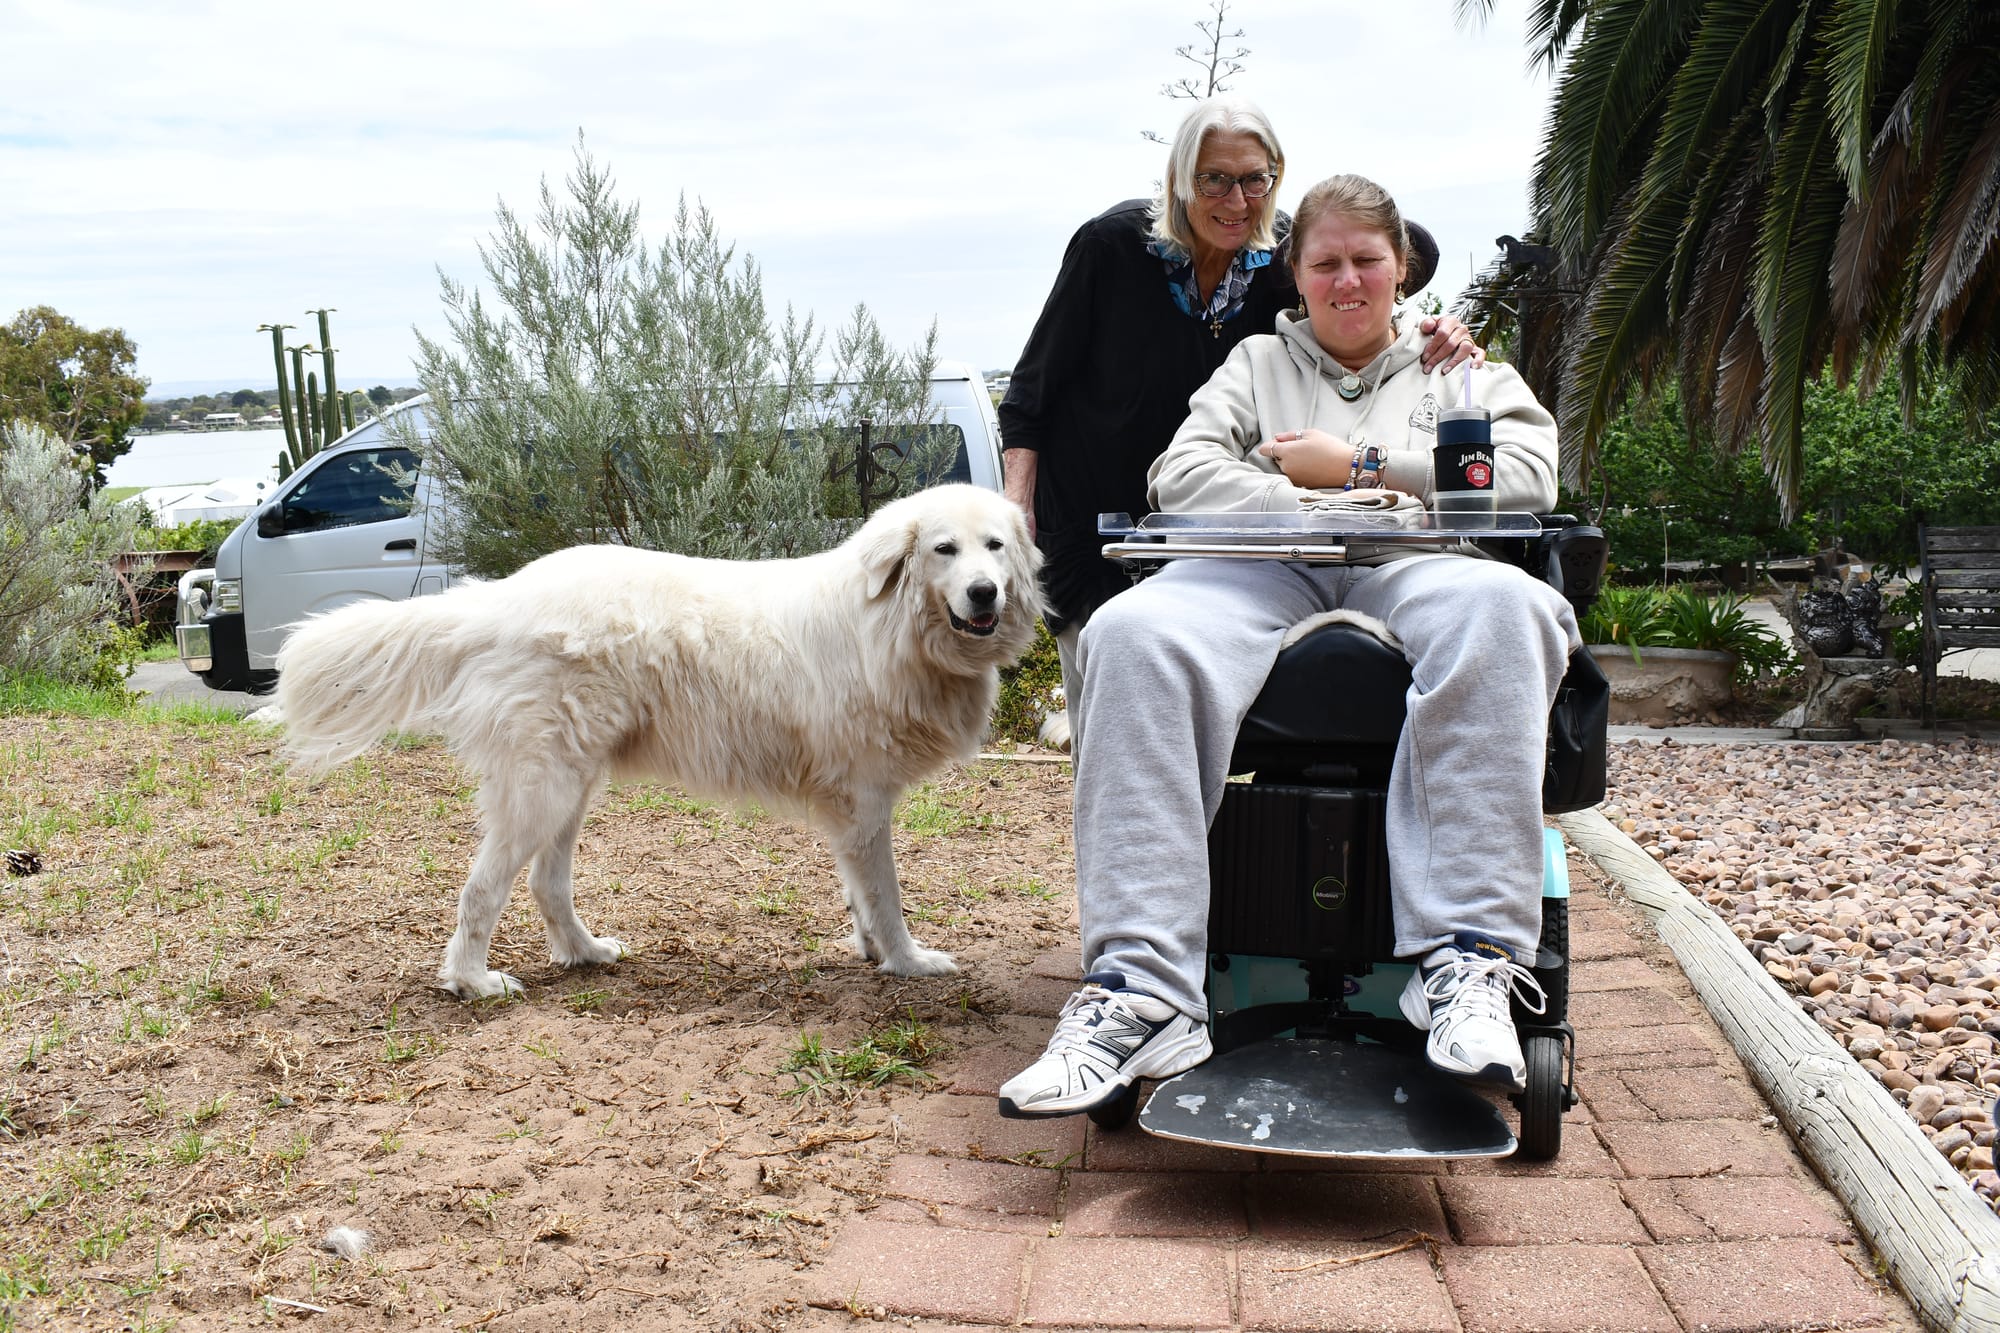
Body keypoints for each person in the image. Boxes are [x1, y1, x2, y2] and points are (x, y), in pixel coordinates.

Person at [998, 173, 1580, 1119]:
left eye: (1366, 260)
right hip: (1263, 562)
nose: (1347, 280)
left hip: (1417, 562)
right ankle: (1141, 992)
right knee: (1130, 630)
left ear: (1400, 269)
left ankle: (1468, 963)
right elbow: (1180, 474)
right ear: (1296, 276)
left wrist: (1359, 471)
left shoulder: (1462, 369)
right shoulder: (1255, 366)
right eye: (1325, 262)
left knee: (1509, 610)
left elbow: (1523, 475)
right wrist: (1299, 504)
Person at [997, 97, 1480, 730]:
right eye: (1213, 179)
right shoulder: (1111, 248)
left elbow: (1368, 280)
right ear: (1179, 180)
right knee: (1110, 693)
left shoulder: (1274, 260)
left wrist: (1436, 332)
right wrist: (1016, 512)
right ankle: (1119, 825)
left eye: (1256, 179)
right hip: (1102, 518)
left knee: (1207, 704)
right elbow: (1032, 393)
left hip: (1218, 529)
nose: (1237, 199)